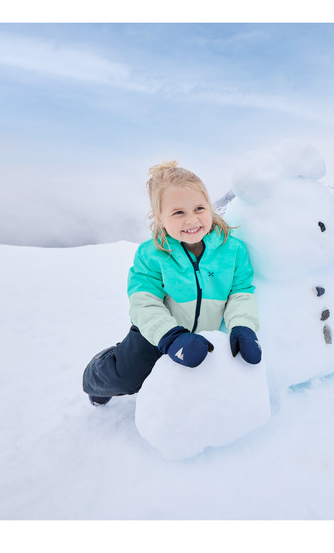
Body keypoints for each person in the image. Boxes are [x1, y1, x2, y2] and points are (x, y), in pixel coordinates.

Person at [83, 161, 262, 406]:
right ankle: (99, 374)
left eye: (199, 208)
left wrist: (243, 327)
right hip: (157, 333)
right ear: (159, 218)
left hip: (203, 335)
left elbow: (240, 292)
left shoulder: (233, 250)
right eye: (178, 212)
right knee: (129, 378)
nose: (192, 220)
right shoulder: (152, 254)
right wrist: (170, 336)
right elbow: (144, 302)